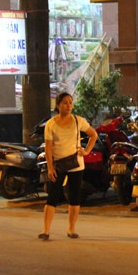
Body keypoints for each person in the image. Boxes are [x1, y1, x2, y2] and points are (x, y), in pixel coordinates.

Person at [39, 92, 98, 241]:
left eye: (70, 102)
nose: (68, 105)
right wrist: (50, 167)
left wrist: (86, 151)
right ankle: (46, 230)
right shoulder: (51, 124)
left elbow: (93, 134)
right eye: (65, 103)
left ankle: (71, 229)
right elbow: (48, 148)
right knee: (53, 196)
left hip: (76, 164)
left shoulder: (78, 120)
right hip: (59, 164)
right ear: (58, 105)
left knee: (74, 197)